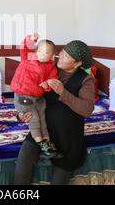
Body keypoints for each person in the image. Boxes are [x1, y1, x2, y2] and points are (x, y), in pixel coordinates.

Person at [13, 40, 96, 185]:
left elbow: (87, 109)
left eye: (66, 56)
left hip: (68, 137)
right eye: (62, 52)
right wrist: (21, 116)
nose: (59, 56)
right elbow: (26, 94)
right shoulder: (47, 68)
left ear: (77, 64)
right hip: (42, 132)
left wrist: (63, 92)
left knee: (60, 178)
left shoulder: (85, 79)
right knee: (24, 161)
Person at [11, 33, 62, 159]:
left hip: (38, 97)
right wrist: (30, 39)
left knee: (42, 120)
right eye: (38, 50)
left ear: (52, 56)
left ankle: (48, 144)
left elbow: (53, 80)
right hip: (23, 95)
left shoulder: (51, 67)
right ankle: (41, 144)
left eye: (45, 52)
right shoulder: (28, 57)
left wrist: (47, 85)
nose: (40, 53)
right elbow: (24, 47)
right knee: (34, 119)